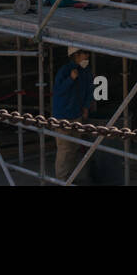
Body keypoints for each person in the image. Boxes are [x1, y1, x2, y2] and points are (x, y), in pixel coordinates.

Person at [52, 47, 94, 182]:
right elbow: (58, 91)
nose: (87, 56)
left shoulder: (86, 71)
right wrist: (70, 79)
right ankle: (62, 179)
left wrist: (86, 106)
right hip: (62, 115)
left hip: (76, 114)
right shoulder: (65, 71)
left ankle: (70, 177)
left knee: (74, 147)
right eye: (84, 53)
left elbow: (89, 89)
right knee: (65, 149)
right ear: (76, 55)